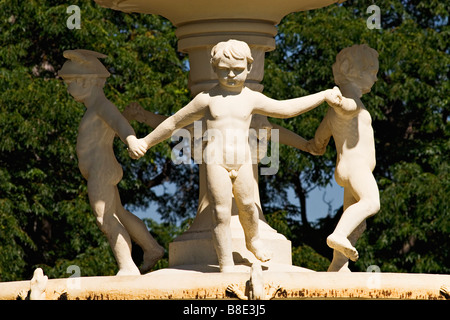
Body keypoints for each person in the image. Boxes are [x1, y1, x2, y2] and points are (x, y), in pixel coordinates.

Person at [129, 40, 343, 272]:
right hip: (215, 160)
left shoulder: (251, 98)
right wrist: (146, 142)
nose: (231, 74)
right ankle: (226, 262)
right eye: (224, 69)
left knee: (248, 207)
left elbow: (286, 110)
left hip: (242, 160)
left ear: (249, 68)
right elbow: (173, 122)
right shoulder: (206, 99)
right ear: (214, 67)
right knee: (220, 213)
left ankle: (253, 240)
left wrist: (323, 96)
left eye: (238, 70)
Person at [59, 49, 164, 275]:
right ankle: (151, 248)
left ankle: (127, 266)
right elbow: (116, 121)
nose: (67, 88)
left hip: (101, 169)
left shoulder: (101, 106)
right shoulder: (96, 107)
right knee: (120, 213)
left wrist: (131, 139)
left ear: (86, 82)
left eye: (69, 83)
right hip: (102, 168)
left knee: (104, 218)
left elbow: (117, 122)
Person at [303, 44, 380, 271]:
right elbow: (346, 107)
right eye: (372, 73)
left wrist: (315, 145)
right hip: (357, 168)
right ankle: (338, 234)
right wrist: (338, 102)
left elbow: (320, 137)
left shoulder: (335, 112)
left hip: (344, 168)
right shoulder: (351, 103)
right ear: (350, 69)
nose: (375, 79)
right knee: (371, 202)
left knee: (356, 221)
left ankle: (338, 265)